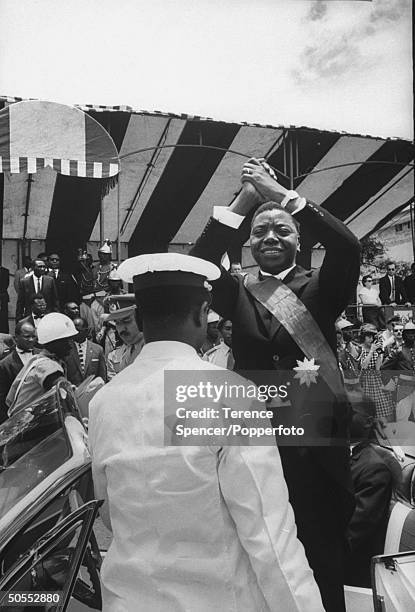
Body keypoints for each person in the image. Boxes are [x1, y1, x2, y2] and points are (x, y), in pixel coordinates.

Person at [88, 252, 324, 612]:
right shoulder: (227, 392)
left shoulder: (103, 401)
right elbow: (268, 531)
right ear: (203, 314)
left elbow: (109, 513)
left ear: (138, 316)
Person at [190, 157, 360, 611]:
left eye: (282, 229)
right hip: (253, 446)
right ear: (248, 242)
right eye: (260, 231)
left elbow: (347, 246)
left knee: (319, 554)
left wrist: (282, 194)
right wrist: (246, 198)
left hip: (315, 450)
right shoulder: (237, 290)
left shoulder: (324, 287)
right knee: (256, 553)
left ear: (300, 241)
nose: (270, 237)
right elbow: (196, 266)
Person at [345, 385, 400, 588]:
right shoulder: (335, 456)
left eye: (348, 410)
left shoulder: (374, 469)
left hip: (350, 574)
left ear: (368, 421)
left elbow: (351, 536)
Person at [6, 313, 77, 416]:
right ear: (54, 342)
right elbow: (64, 390)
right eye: (66, 340)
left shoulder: (38, 359)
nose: (71, 345)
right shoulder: (46, 366)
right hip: (25, 426)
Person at [0, 321, 37, 422]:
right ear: (16, 338)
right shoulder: (5, 364)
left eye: (33, 336)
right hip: (17, 417)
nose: (31, 340)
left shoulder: (42, 355)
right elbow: (2, 398)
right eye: (27, 337)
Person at [358, 323, 395, 422]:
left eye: (372, 336)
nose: (371, 339)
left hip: (376, 380)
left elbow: (378, 369)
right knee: (367, 411)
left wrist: (380, 353)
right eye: (368, 336)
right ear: (363, 337)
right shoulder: (359, 348)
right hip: (364, 381)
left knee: (381, 410)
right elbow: (363, 367)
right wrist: (371, 351)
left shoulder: (375, 348)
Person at [105, 295, 144, 380]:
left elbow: (175, 390)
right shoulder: (127, 351)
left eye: (126, 321)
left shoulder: (153, 348)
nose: (121, 328)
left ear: (140, 319)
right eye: (117, 323)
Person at [64, 317, 107, 386]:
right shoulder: (66, 350)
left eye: (78, 331)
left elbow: (102, 376)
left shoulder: (98, 349)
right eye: (73, 330)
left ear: (86, 331)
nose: (75, 333)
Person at [0, 264, 10, 333]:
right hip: (3, 295)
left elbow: (6, 284)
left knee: (3, 318)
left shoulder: (5, 271)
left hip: (3, 296)